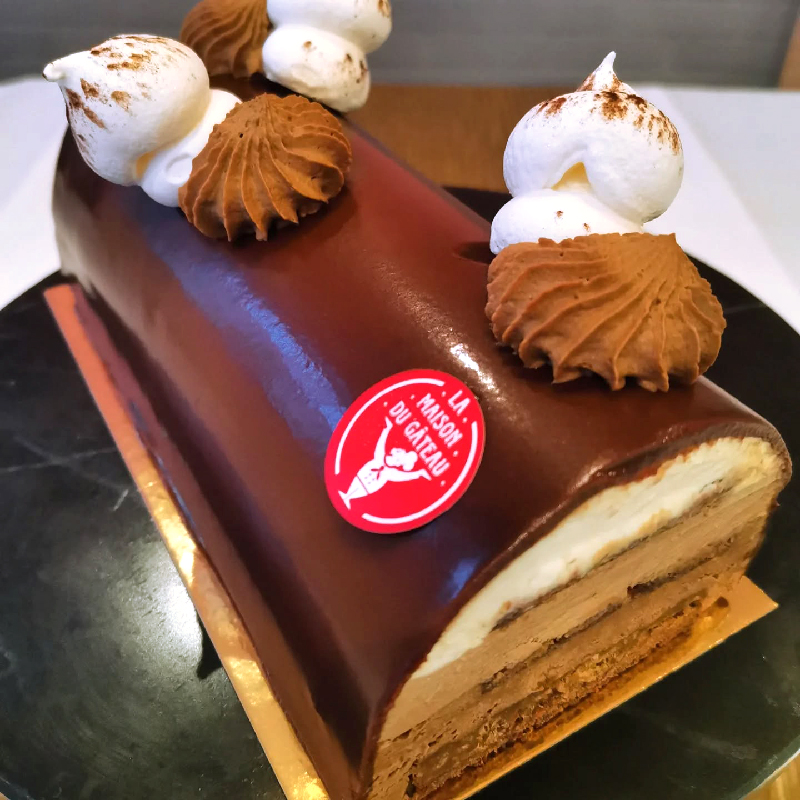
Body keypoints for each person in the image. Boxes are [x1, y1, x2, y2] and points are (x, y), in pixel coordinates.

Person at [338, 418, 431, 509]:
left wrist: (419, 473)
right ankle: (346, 496)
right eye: (397, 459)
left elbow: (403, 476)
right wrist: (386, 429)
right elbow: (380, 443)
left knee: (363, 490)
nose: (396, 462)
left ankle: (348, 498)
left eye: (398, 462)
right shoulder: (379, 458)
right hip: (363, 475)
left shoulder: (389, 473)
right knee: (356, 482)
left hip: (370, 486)